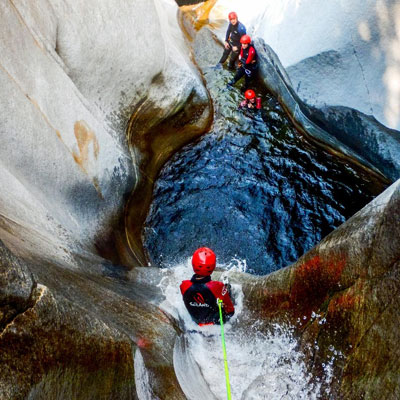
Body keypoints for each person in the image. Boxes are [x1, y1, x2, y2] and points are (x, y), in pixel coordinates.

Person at [180, 247, 235, 326]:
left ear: (193, 264)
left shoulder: (184, 285)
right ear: (212, 267)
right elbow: (230, 311)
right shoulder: (218, 286)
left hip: (196, 322)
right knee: (227, 289)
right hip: (215, 322)